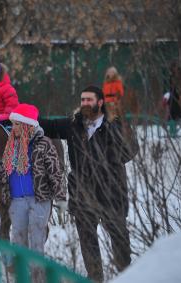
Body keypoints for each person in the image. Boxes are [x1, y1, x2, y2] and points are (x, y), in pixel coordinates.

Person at [39, 86, 139, 283]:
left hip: (112, 191)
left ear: (100, 102)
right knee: (87, 240)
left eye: (89, 100)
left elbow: (132, 148)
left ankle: (126, 275)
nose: (84, 103)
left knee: (119, 237)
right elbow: (48, 126)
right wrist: (23, 112)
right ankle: (95, 277)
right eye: (82, 100)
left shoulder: (115, 124)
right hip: (82, 193)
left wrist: (107, 161)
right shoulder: (73, 124)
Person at [0, 103, 67, 280]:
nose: (12, 127)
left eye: (15, 124)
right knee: (18, 244)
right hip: (16, 202)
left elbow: (55, 173)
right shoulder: (11, 148)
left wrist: (60, 198)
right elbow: (1, 174)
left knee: (36, 244)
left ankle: (38, 279)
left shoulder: (43, 144)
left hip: (39, 200)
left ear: (27, 125)